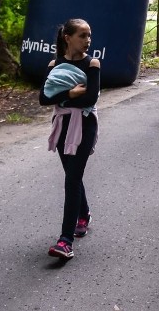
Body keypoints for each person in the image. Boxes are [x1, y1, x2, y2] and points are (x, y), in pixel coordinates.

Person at [39, 19, 100, 260]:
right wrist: (70, 94)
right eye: (82, 36)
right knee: (72, 176)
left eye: (89, 36)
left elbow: (90, 99)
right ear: (68, 37)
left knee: (72, 179)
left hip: (84, 125)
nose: (87, 41)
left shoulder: (92, 64)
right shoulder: (55, 64)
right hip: (63, 125)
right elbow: (43, 98)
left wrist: (61, 99)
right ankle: (84, 214)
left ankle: (65, 241)